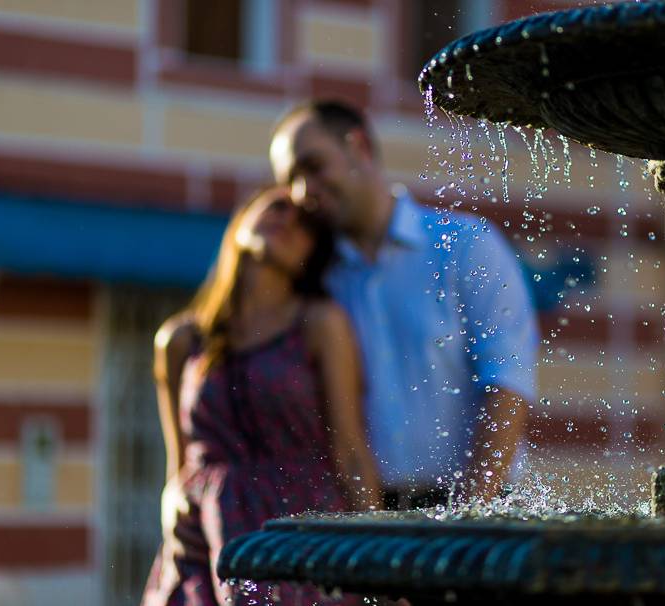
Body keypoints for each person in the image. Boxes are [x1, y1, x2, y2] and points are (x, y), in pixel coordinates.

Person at [269, 101, 539, 508]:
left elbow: (508, 384)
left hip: (481, 510)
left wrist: (466, 516)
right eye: (291, 180)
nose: (304, 191)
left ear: (358, 145)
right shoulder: (319, 282)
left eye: (314, 166)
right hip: (374, 517)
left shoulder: (465, 245)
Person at [141, 185, 381, 606]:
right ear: (240, 220)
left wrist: (381, 564)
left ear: (311, 256)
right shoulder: (180, 341)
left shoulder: (321, 323)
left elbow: (350, 450)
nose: (287, 220)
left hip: (300, 530)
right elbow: (177, 469)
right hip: (206, 537)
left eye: (305, 225)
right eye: (275, 207)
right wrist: (172, 511)